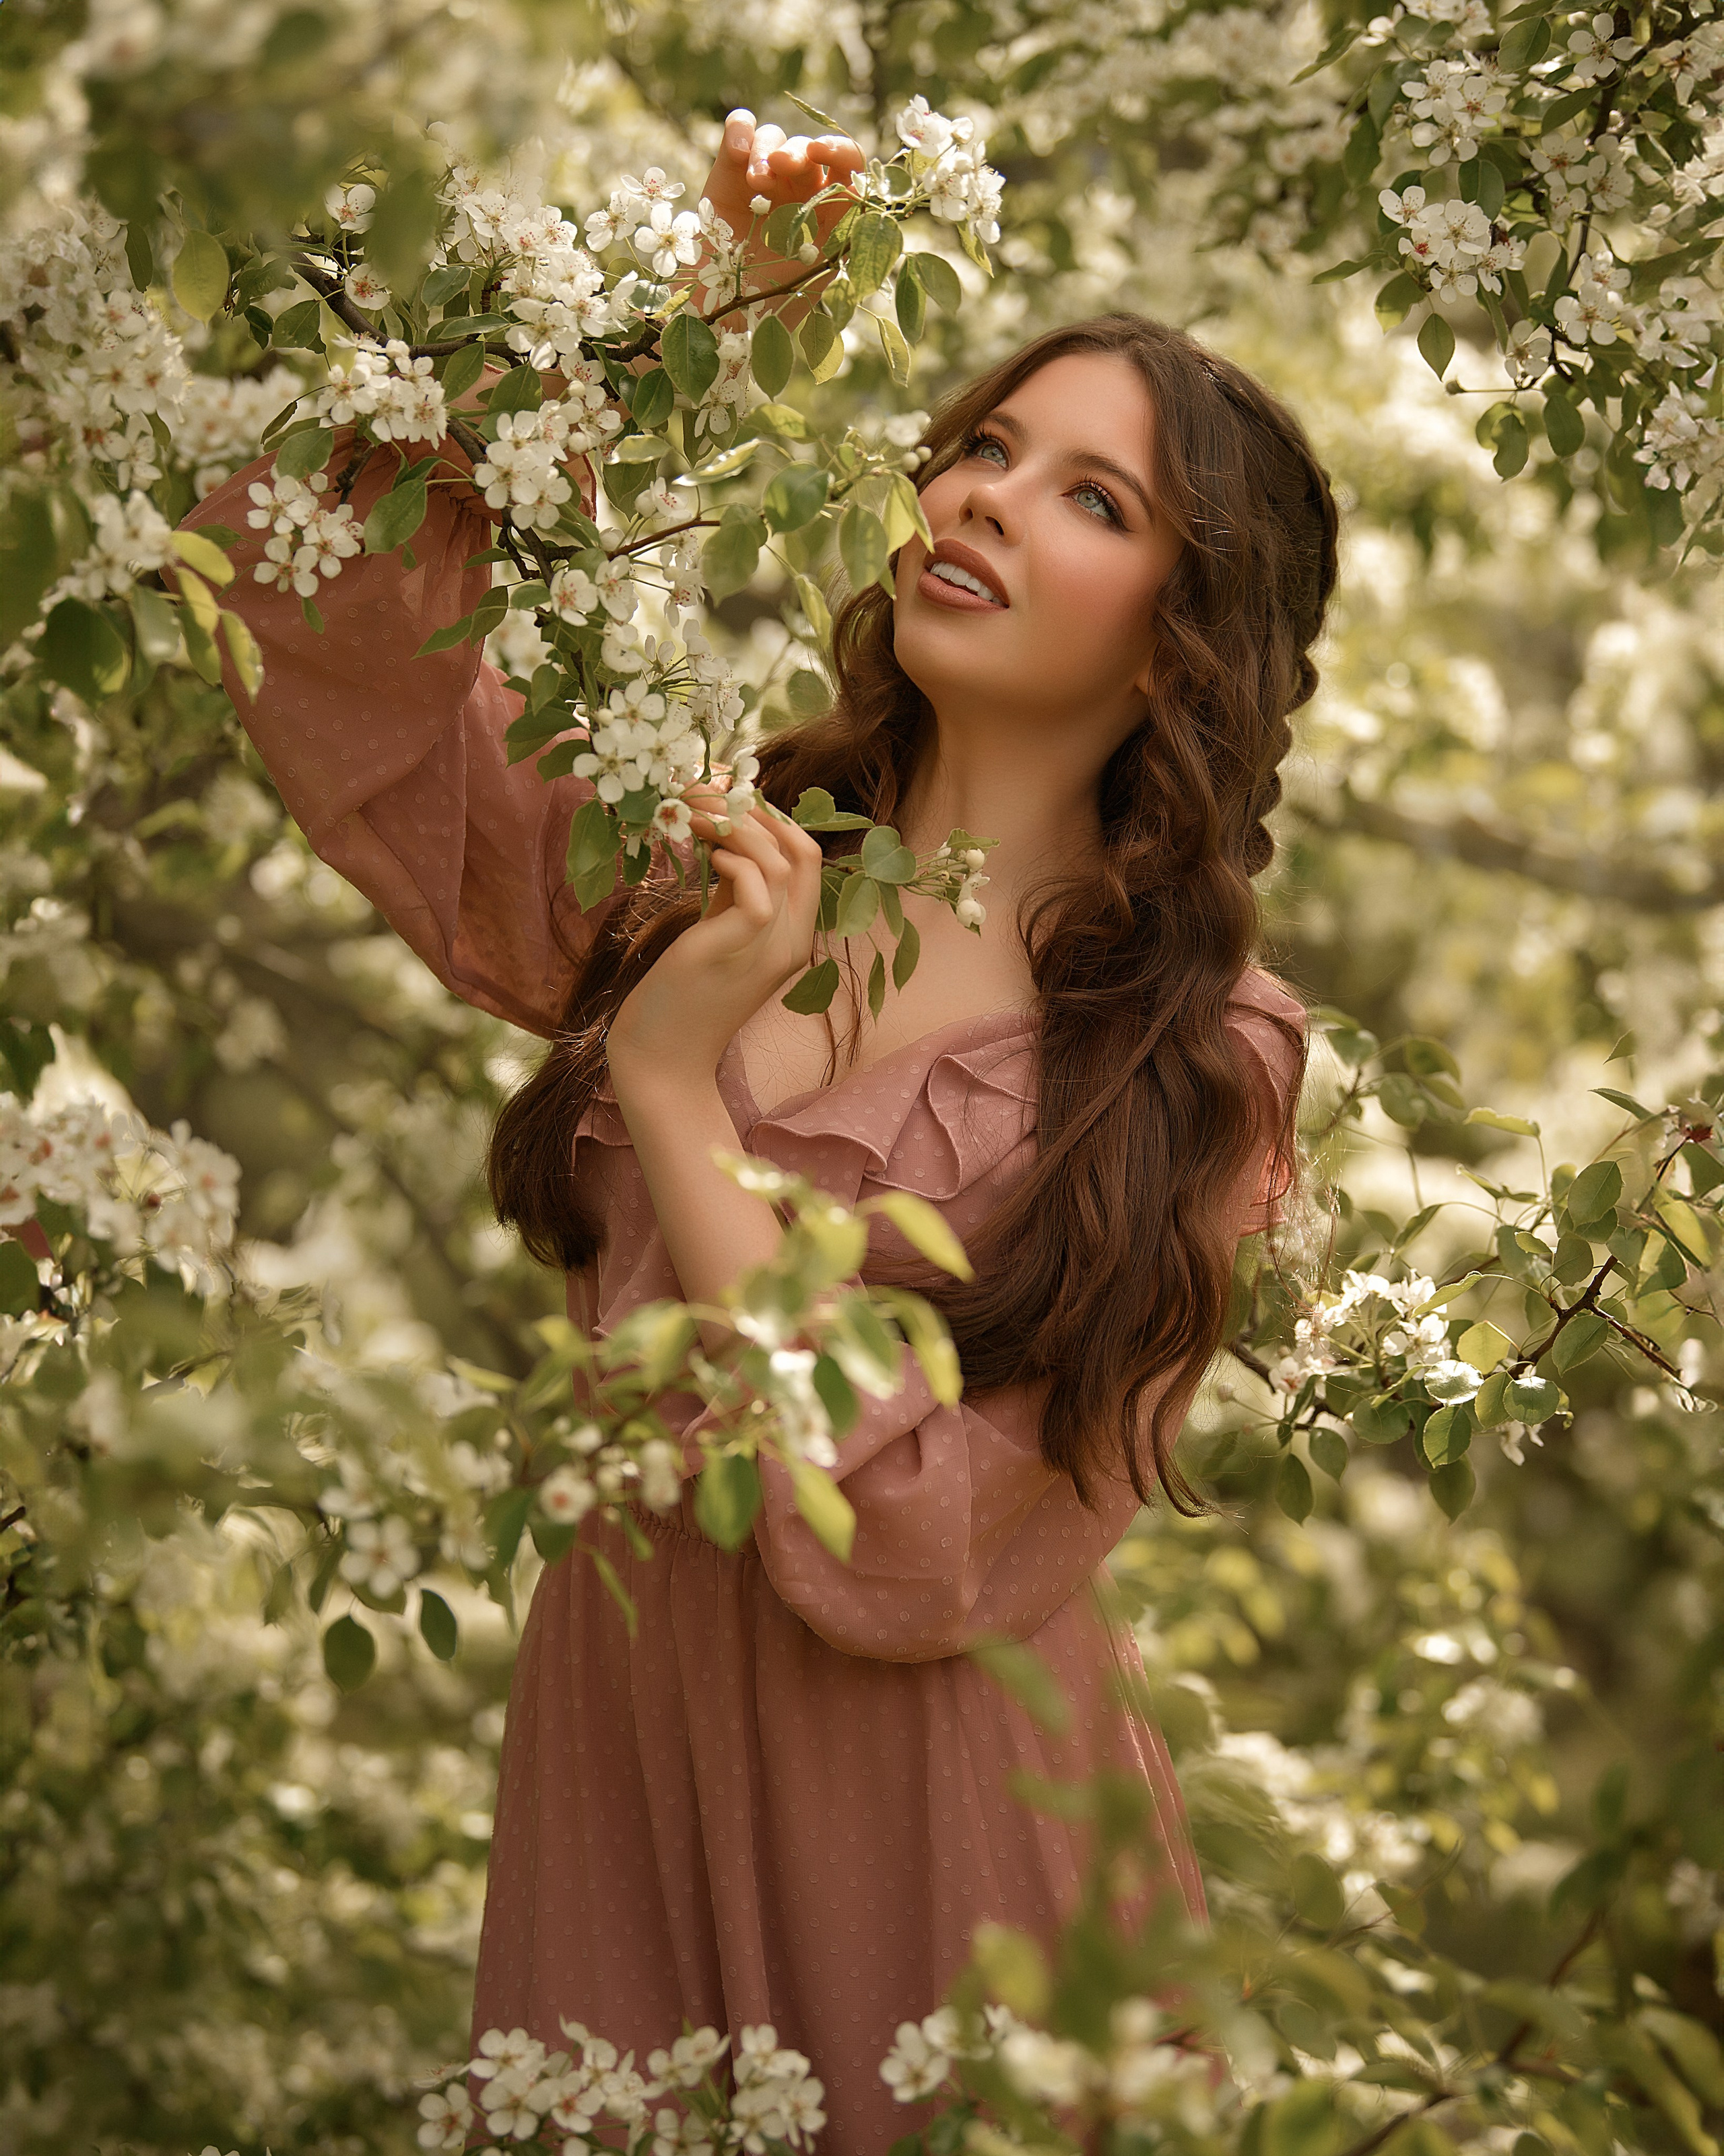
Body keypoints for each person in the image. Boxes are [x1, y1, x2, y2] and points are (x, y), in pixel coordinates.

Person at [189, 109, 1335, 2154]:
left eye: (1089, 495)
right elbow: (302, 607)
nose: (985, 498)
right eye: (981, 445)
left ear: (1182, 631)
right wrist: (670, 330)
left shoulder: (1192, 1057)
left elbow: (907, 1545)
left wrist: (664, 1082)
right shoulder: (710, 854)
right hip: (628, 1736)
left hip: (937, 1800)